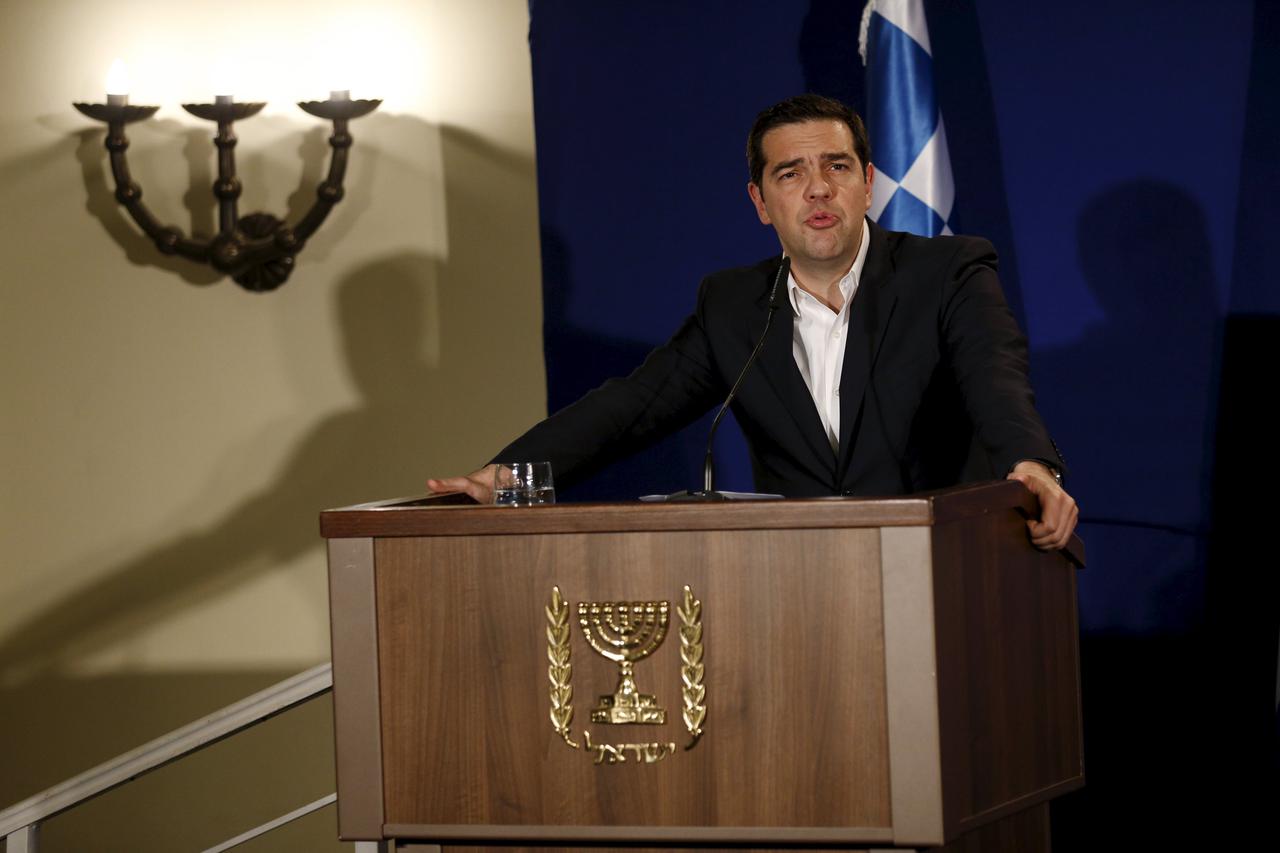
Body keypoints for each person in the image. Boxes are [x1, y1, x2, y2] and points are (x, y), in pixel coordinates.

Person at [430, 94, 1077, 551]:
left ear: (869, 183)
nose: (818, 189)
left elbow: (996, 377)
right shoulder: (734, 305)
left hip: (943, 562)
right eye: (790, 173)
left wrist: (1032, 463)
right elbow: (632, 405)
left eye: (838, 166)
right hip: (796, 578)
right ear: (761, 203)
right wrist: (510, 475)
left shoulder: (948, 271)